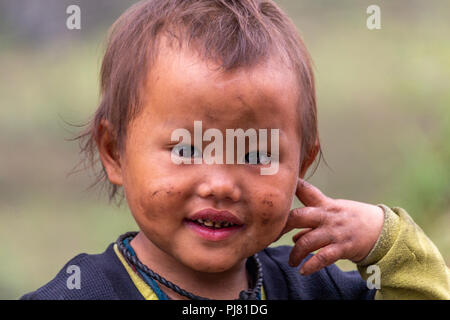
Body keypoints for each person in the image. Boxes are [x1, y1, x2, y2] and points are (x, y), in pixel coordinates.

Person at [21, 0, 449, 300]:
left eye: (256, 154)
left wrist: (389, 243)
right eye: (187, 149)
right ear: (114, 152)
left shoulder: (319, 288)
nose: (221, 185)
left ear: (302, 163)